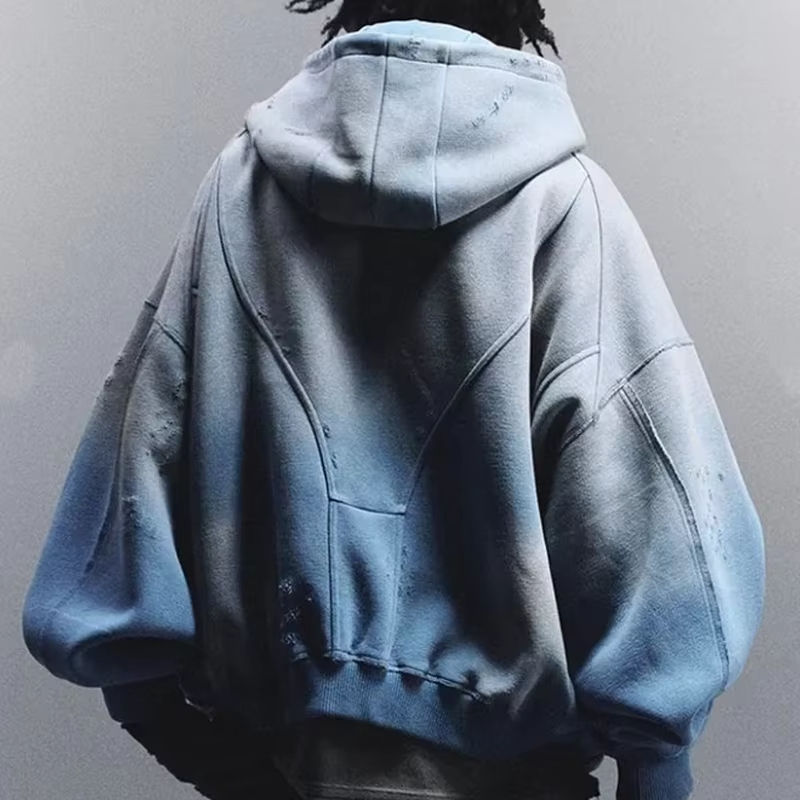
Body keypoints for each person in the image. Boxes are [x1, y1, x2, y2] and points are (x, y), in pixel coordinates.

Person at [20, 2, 766, 799]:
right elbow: (655, 525)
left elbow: (129, 484)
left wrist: (211, 760)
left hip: (289, 765)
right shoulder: (568, 206)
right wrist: (656, 763)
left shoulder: (239, 192)